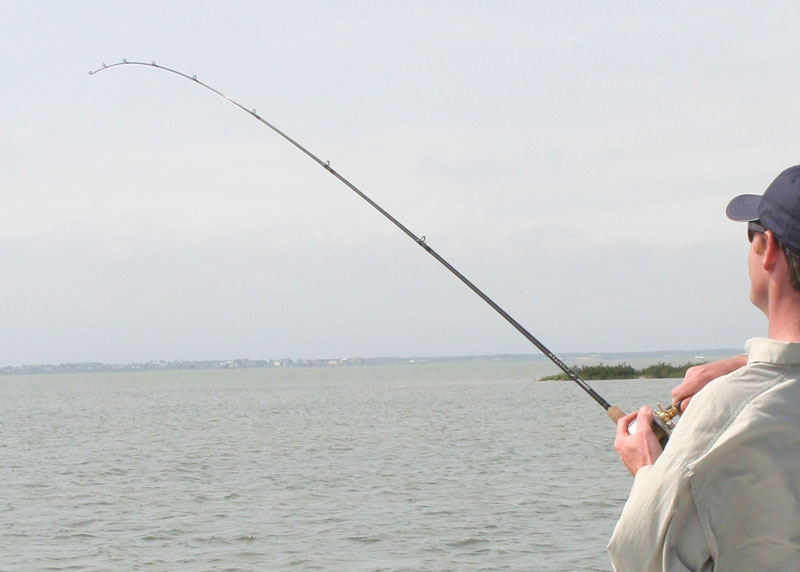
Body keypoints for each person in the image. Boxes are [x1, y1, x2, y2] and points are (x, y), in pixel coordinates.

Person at [607, 164, 800, 571]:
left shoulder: (727, 410)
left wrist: (646, 468)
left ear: (770, 249)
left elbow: (640, 559)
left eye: (752, 235)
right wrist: (749, 365)